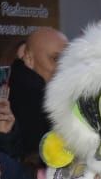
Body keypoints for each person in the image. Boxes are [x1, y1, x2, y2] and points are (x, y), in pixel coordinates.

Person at [6, 26, 69, 161]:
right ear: (29, 59)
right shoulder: (32, 97)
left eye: (67, 60)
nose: (63, 67)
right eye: (55, 59)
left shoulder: (15, 88)